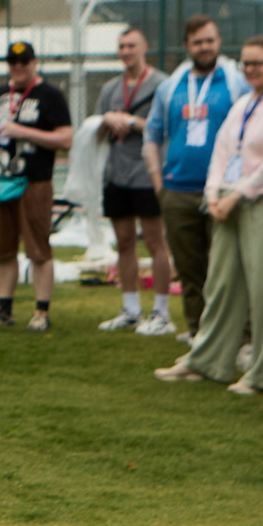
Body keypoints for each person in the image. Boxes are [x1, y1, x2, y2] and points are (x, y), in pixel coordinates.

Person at [155, 37, 263, 393]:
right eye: (246, 63)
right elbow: (222, 151)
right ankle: (207, 360)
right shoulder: (243, 103)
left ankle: (262, 372)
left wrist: (237, 195)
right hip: (227, 200)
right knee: (221, 284)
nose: (251, 69)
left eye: (258, 63)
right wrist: (213, 194)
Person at [142, 16, 243, 339]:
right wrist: (159, 185)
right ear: (186, 46)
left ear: (219, 42)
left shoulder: (235, 82)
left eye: (210, 40)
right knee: (189, 270)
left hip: (221, 190)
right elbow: (152, 135)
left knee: (226, 269)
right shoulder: (170, 87)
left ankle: (238, 336)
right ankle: (198, 333)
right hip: (177, 190)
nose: (205, 47)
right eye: (198, 42)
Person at [0, 39, 72, 332]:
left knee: (38, 249)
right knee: (2, 249)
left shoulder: (50, 95)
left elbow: (66, 139)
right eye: (12, 62)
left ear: (34, 63)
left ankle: (41, 311)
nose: (18, 66)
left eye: (24, 61)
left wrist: (24, 132)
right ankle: (3, 309)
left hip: (33, 183)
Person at [94, 26, 173, 335]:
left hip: (147, 173)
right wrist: (106, 120)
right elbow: (96, 132)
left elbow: (167, 127)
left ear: (145, 47)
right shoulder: (110, 89)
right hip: (116, 174)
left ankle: (162, 312)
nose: (126, 51)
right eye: (122, 46)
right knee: (124, 242)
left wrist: (132, 121)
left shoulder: (162, 84)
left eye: (132, 45)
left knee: (155, 242)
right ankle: (130, 310)